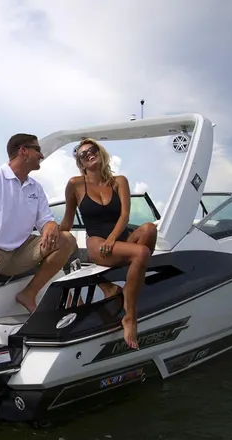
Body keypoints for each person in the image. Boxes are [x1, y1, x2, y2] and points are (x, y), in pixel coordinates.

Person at [0, 133, 77, 355]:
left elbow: (45, 221)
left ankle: (29, 293)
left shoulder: (35, 188)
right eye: (37, 150)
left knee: (67, 240)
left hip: (19, 252)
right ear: (23, 151)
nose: (41, 155)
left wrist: (51, 226)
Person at [59, 137, 157, 350]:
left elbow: (125, 215)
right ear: (80, 164)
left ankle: (125, 286)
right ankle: (130, 317)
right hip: (97, 243)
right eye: (82, 155)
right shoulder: (75, 184)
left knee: (150, 228)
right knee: (141, 254)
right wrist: (50, 234)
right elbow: (67, 220)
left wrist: (113, 239)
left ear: (100, 152)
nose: (88, 154)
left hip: (118, 239)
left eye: (91, 150)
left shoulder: (119, 180)